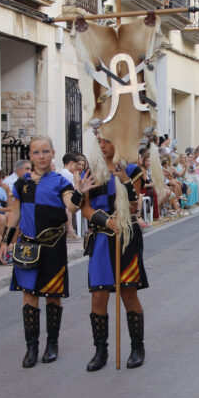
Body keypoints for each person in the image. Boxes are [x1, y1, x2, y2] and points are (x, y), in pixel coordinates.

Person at [0, 136, 95, 368]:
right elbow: (15, 214)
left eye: (45, 152)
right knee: (29, 295)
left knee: (53, 295)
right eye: (36, 152)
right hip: (28, 247)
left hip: (53, 245)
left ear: (53, 154)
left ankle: (52, 344)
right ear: (30, 156)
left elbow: (70, 207)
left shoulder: (60, 182)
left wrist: (80, 191)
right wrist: (5, 241)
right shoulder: (22, 184)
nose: (41, 156)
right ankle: (31, 347)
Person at [82, 137, 148, 371]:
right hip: (101, 238)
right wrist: (106, 221)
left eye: (108, 141)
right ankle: (100, 351)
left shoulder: (131, 169)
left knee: (128, 292)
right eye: (99, 141)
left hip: (126, 239)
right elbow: (85, 208)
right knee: (98, 296)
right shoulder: (91, 171)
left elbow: (133, 207)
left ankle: (137, 347)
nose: (102, 145)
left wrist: (125, 180)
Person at [59, 153, 81, 239]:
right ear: (71, 163)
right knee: (68, 208)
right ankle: (70, 230)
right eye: (76, 165)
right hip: (64, 201)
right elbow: (75, 191)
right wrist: (77, 180)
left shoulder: (62, 172)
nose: (77, 168)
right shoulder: (67, 174)